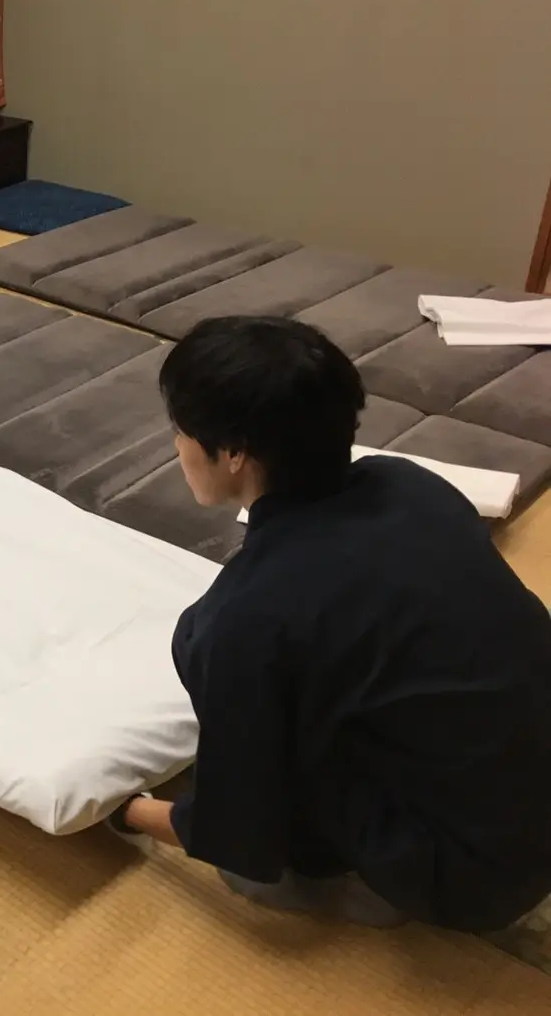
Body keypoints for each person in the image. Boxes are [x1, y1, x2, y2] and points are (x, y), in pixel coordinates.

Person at [108, 316, 551, 933]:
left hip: (477, 876)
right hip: (524, 782)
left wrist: (127, 810)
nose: (176, 447)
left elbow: (238, 833)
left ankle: (378, 887)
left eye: (180, 431)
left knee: (254, 867)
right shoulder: (410, 483)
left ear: (233, 452)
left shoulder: (245, 620)